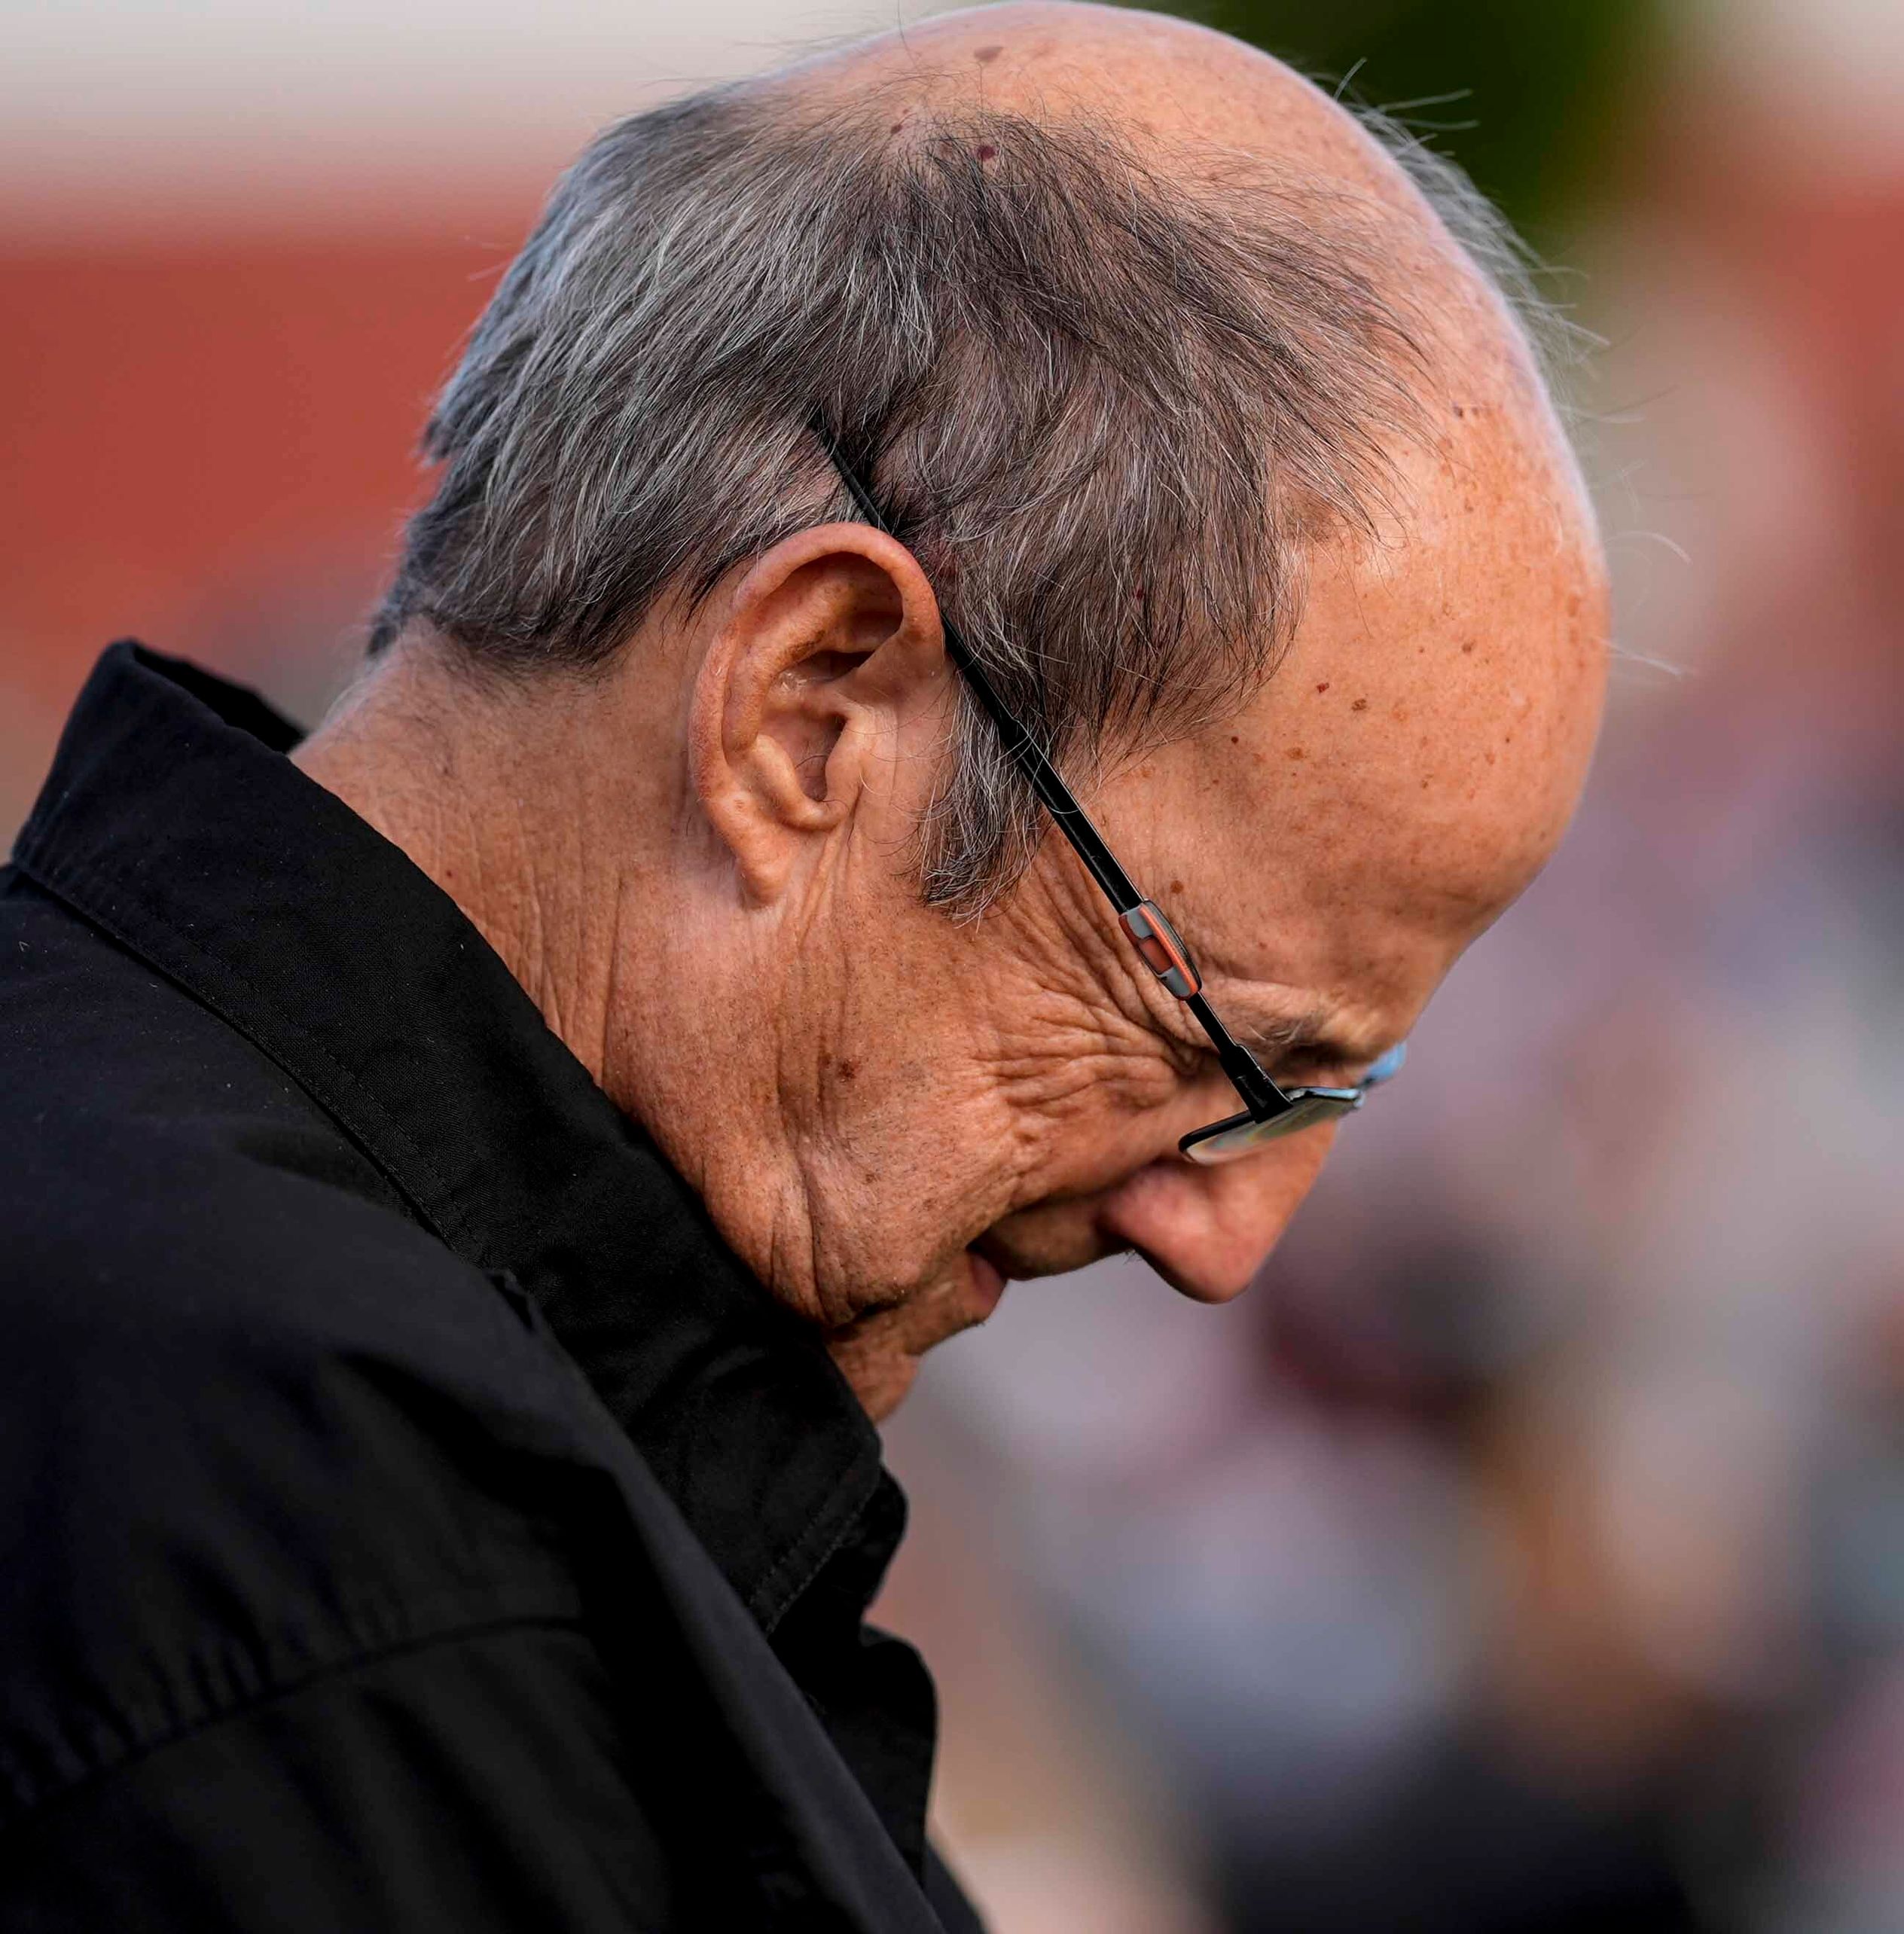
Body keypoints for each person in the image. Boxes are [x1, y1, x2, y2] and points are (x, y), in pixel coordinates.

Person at [0, 5, 1608, 1928]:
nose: (1227, 1234)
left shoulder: (316, 1376)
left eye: (1350, 1090)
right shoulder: (344, 1582)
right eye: (1218, 1040)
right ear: (810, 708)